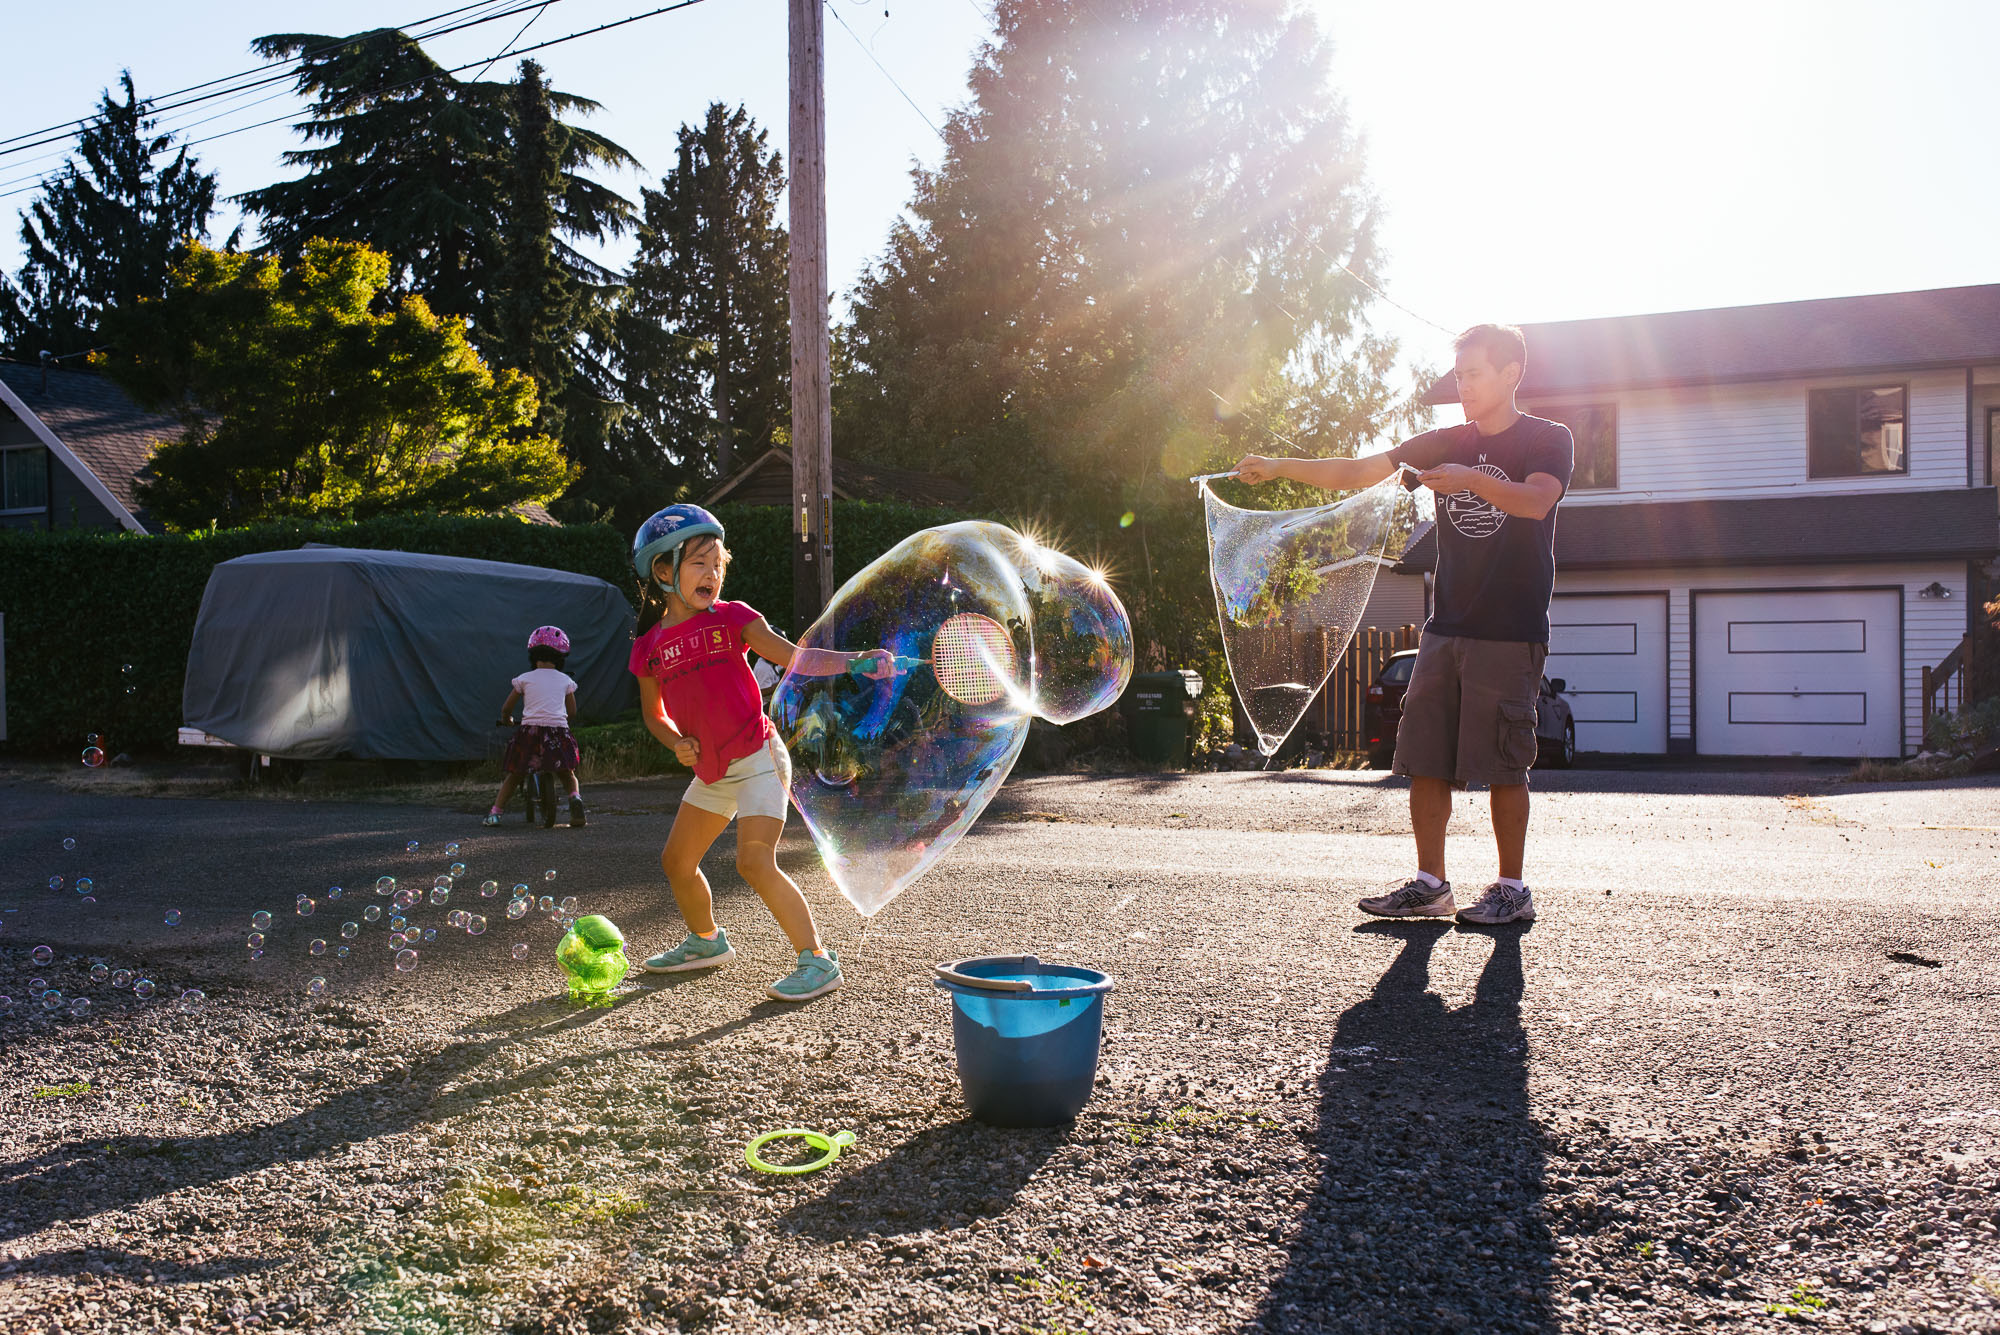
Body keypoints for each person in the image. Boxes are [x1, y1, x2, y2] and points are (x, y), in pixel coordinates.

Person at [1236, 323, 1572, 925]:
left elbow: (1534, 500)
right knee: (1424, 758)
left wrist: (1470, 479)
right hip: (1445, 627)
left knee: (1503, 764)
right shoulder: (1444, 438)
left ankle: (1511, 890)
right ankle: (1430, 884)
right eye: (1459, 375)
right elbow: (1362, 470)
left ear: (1511, 373)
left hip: (1511, 628)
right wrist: (1279, 466)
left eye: (1473, 374)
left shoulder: (1548, 438)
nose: (1462, 386)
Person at [626, 504, 896, 1003]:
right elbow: (653, 714)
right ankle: (706, 942)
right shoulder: (649, 647)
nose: (713, 574)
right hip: (711, 769)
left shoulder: (734, 619)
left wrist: (856, 661)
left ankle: (817, 959)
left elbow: (797, 658)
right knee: (676, 862)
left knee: (754, 861)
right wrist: (674, 742)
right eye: (699, 563)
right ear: (662, 571)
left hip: (757, 756)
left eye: (718, 564)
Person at [486, 626, 586, 828]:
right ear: (560, 657)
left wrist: (507, 719)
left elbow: (506, 708)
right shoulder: (565, 680)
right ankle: (575, 799)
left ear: (532, 655)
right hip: (558, 731)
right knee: (567, 773)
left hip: (530, 732)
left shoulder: (524, 679)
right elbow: (572, 712)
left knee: (515, 774)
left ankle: (495, 814)